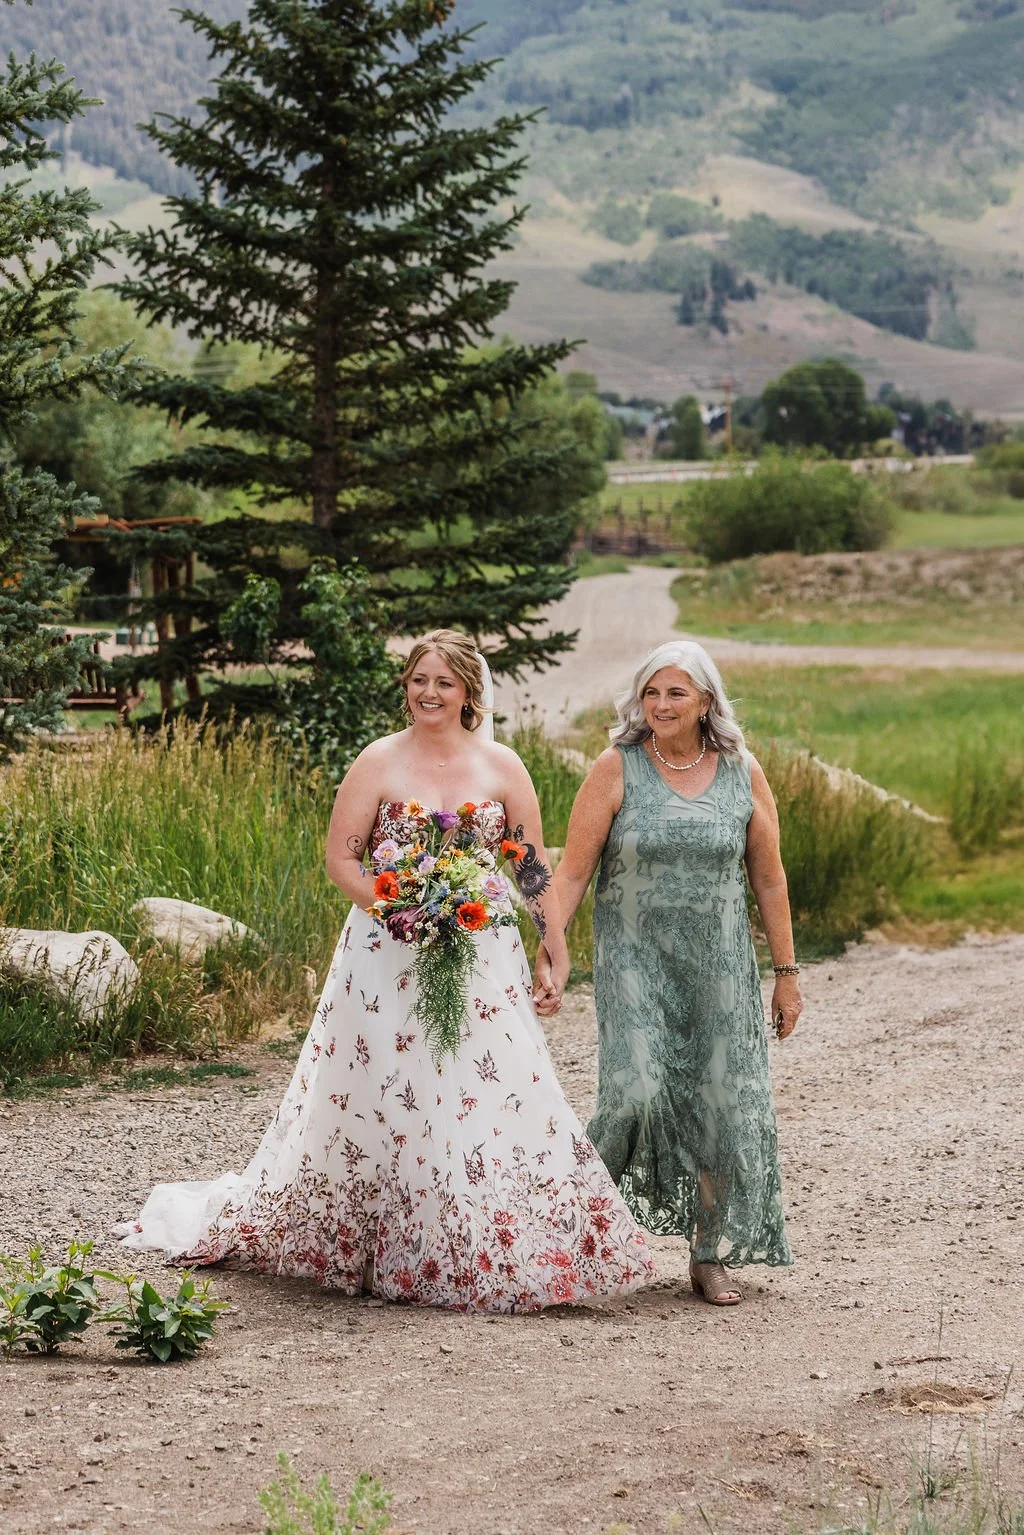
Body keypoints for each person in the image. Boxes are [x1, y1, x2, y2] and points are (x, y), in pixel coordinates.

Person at [118, 630, 653, 1312]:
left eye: (443, 682)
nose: (429, 693)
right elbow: (343, 859)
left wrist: (555, 943)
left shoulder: (503, 766)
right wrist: (400, 906)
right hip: (385, 951)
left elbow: (528, 865)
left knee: (492, 1080)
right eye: (418, 680)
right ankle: (390, 1236)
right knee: (392, 1089)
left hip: (481, 950)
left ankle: (483, 1232)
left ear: (469, 692)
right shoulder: (377, 762)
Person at [535, 640, 801, 1306]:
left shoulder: (742, 770)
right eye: (651, 692)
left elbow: (768, 877)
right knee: (634, 1094)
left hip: (718, 969)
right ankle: (565, 1239)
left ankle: (707, 1255)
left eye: (675, 693)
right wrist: (549, 948)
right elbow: (571, 871)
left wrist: (787, 972)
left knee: (716, 1107)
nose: (660, 705)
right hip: (634, 964)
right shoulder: (616, 766)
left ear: (706, 700)